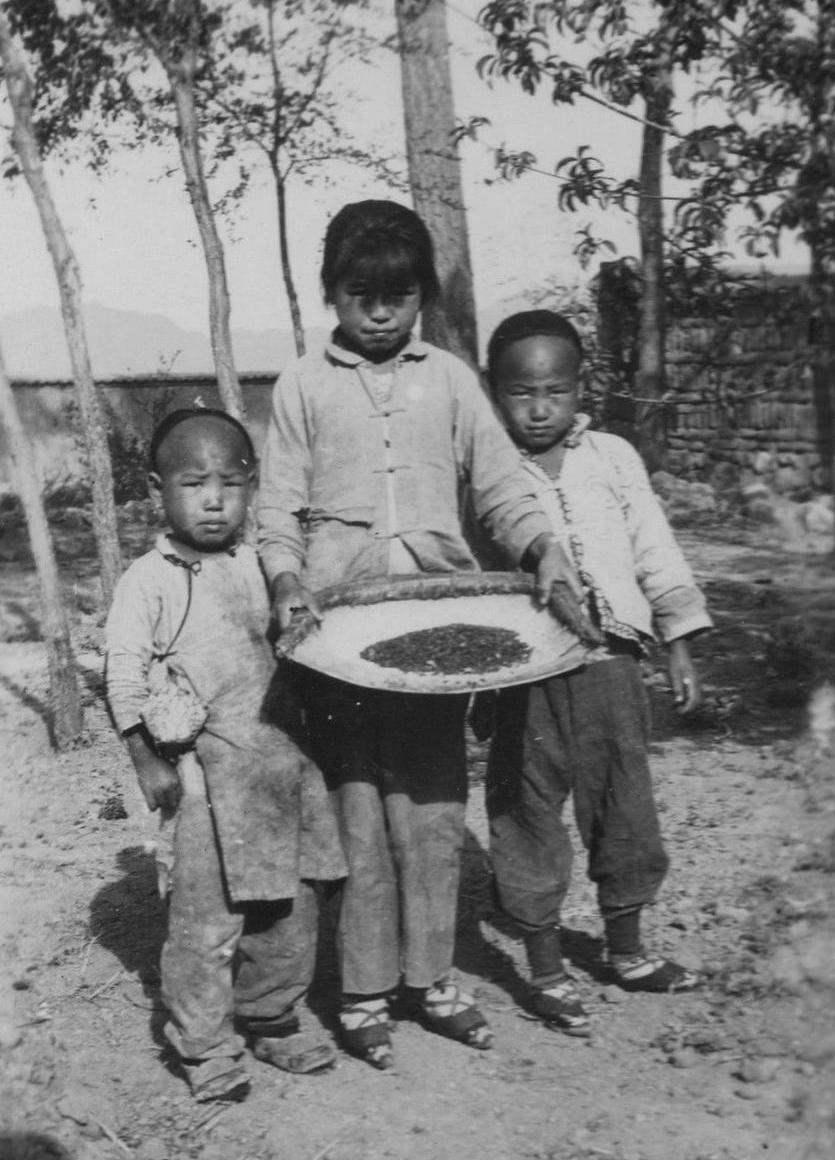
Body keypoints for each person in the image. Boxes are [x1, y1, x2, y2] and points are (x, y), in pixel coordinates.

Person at [257, 200, 582, 1069]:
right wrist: (288, 579)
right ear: (332, 293)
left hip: (440, 627)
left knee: (433, 814)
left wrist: (543, 548)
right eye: (360, 294)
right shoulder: (301, 385)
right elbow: (278, 508)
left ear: (422, 298)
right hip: (339, 637)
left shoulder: (447, 379)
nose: (377, 313)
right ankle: (363, 991)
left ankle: (431, 980)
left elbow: (501, 486)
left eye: (396, 297)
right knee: (359, 816)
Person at [480, 309, 712, 1038]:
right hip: (523, 676)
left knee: (623, 807)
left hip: (610, 664)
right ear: (495, 392)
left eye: (554, 390)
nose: (539, 408)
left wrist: (677, 638)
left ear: (580, 387)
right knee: (526, 813)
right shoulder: (485, 474)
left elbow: (653, 547)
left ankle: (627, 949)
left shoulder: (612, 458)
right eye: (521, 393)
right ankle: (544, 968)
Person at [105, 408, 346, 1102]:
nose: (212, 500)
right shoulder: (151, 579)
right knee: (206, 924)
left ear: (252, 486)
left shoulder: (263, 567)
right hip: (210, 780)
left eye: (229, 483)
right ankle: (204, 1044)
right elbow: (122, 671)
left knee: (291, 909)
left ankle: (270, 1015)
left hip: (284, 769)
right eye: (192, 483)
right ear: (158, 488)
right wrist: (145, 759)